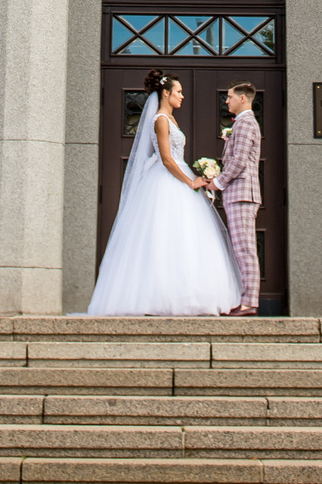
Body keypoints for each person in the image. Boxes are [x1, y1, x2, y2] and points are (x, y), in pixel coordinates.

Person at [85, 70, 244, 317]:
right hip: (166, 179)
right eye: (178, 92)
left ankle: (187, 295)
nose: (182, 96)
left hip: (177, 176)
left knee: (185, 237)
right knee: (163, 235)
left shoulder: (171, 119)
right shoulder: (160, 119)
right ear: (166, 93)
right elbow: (167, 160)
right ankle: (159, 297)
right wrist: (191, 182)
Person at [208, 82, 263, 316]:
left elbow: (239, 161)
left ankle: (249, 302)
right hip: (239, 194)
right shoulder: (241, 124)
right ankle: (244, 298)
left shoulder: (246, 123)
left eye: (229, 97)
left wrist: (217, 183)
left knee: (245, 249)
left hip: (242, 194)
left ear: (243, 98)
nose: (226, 101)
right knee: (241, 248)